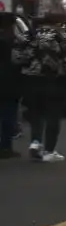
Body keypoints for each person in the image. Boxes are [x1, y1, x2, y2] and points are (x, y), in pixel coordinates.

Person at [13, 10, 66, 161]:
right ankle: (49, 151)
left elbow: (17, 56)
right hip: (54, 80)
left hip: (31, 79)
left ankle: (36, 142)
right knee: (53, 115)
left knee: (35, 113)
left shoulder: (30, 34)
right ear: (59, 22)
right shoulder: (61, 36)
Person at [0, 9, 20, 158]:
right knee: (8, 115)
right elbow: (18, 61)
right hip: (9, 82)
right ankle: (5, 147)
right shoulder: (12, 40)